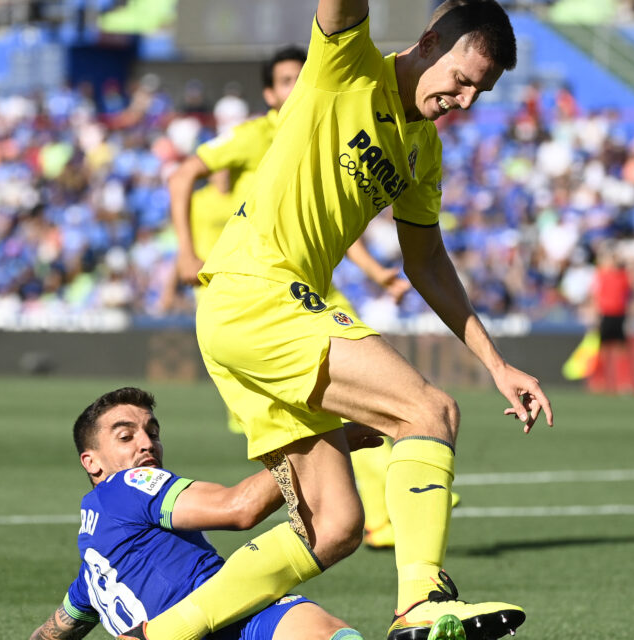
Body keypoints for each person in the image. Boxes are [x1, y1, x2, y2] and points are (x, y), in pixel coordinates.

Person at [126, 1, 553, 640]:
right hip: (258, 293)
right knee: (427, 413)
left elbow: (428, 262)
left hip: (246, 315)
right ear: (431, 40)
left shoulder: (421, 152)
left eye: (480, 92)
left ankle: (158, 635)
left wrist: (495, 364)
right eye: (463, 79)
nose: (464, 100)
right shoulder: (346, 65)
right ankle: (420, 603)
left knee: (335, 528)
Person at [167, 45, 416, 548]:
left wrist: (377, 272)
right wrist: (185, 253)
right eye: (284, 80)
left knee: (378, 398)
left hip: (314, 288)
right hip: (252, 294)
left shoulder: (327, 126)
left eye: (300, 77)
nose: (294, 86)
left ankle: (390, 501)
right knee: (294, 429)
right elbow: (184, 174)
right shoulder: (257, 136)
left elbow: (343, 222)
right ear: (268, 93)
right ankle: (353, 507)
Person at [27, 387, 467, 640]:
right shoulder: (126, 484)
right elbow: (240, 508)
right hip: (222, 619)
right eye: (126, 436)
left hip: (237, 613)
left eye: (152, 432)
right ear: (92, 463)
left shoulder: (93, 574)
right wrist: (326, 444)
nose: (146, 444)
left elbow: (54, 630)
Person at [588, 247, 633, 395]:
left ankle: (624, 384)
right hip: (606, 315)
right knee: (602, 351)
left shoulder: (623, 275)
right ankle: (599, 382)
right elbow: (595, 296)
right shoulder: (601, 275)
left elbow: (630, 293)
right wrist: (594, 316)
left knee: (621, 350)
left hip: (619, 315)